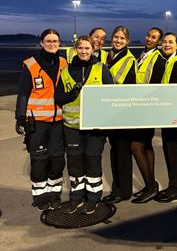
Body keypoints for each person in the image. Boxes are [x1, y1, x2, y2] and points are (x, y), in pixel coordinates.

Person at [55, 35, 113, 214]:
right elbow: (58, 99)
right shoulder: (65, 71)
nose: (84, 51)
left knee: (93, 161)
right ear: (75, 49)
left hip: (95, 128)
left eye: (87, 48)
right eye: (80, 48)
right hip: (72, 127)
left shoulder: (101, 69)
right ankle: (76, 197)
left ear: (93, 50)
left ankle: (94, 198)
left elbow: (111, 97)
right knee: (74, 163)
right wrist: (70, 95)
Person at [15, 29, 67, 211]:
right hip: (37, 123)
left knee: (57, 160)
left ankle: (54, 195)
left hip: (58, 122)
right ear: (41, 43)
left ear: (59, 43)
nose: (52, 44)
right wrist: (20, 117)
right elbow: (23, 93)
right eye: (48, 41)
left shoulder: (63, 63)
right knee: (39, 162)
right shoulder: (31, 65)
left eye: (55, 41)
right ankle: (40, 197)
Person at [131, 27, 166, 204]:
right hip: (139, 107)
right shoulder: (143, 55)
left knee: (136, 146)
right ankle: (150, 185)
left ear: (159, 42)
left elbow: (155, 86)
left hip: (145, 107)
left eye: (153, 37)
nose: (148, 39)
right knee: (146, 146)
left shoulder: (157, 59)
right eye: (148, 35)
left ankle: (151, 186)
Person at [103, 26, 137, 204]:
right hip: (112, 110)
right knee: (115, 151)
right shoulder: (110, 56)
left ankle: (124, 191)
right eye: (116, 37)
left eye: (122, 38)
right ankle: (117, 187)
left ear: (128, 41)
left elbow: (129, 86)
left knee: (122, 152)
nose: (118, 40)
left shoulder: (129, 59)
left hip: (122, 112)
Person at [157, 32, 177, 203]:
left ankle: (176, 189)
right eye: (165, 42)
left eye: (171, 42)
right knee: (169, 152)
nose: (167, 45)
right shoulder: (167, 61)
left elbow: (172, 90)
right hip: (167, 114)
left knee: (174, 153)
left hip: (173, 116)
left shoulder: (176, 63)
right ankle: (172, 186)